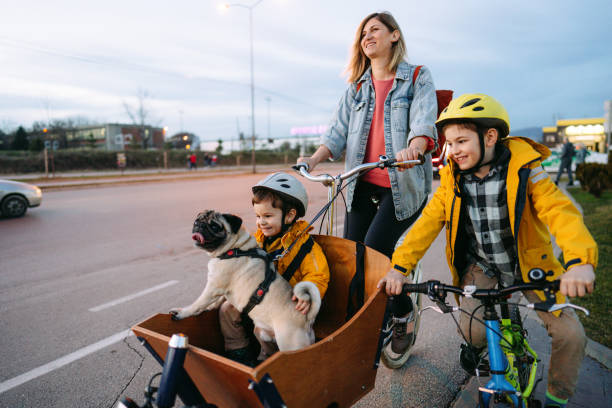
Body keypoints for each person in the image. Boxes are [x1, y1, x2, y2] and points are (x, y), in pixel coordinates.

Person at [378, 93, 597, 408]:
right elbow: (427, 224)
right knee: (473, 333)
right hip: (482, 266)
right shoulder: (453, 179)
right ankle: (496, 349)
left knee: (571, 336)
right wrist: (399, 268)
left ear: (490, 137)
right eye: (449, 144)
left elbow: (561, 212)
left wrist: (580, 262)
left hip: (530, 266)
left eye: (461, 141)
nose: (452, 151)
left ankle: (555, 400)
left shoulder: (526, 169)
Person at [296, 11, 438, 359]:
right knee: (349, 256)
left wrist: (415, 148)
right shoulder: (357, 86)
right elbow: (336, 133)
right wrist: (313, 160)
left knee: (376, 252)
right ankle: (358, 321)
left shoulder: (417, 77)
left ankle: (402, 313)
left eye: (374, 30)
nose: (367, 37)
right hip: (361, 184)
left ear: (393, 36)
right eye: (363, 34)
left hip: (402, 185)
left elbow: (423, 121)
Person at [218, 172, 330, 366]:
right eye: (258, 216)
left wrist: (307, 294)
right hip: (264, 299)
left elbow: (318, 275)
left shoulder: (304, 246)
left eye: (268, 216)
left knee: (264, 330)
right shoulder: (259, 240)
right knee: (227, 309)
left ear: (290, 215)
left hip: (291, 306)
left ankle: (269, 362)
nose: (261, 222)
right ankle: (240, 353)